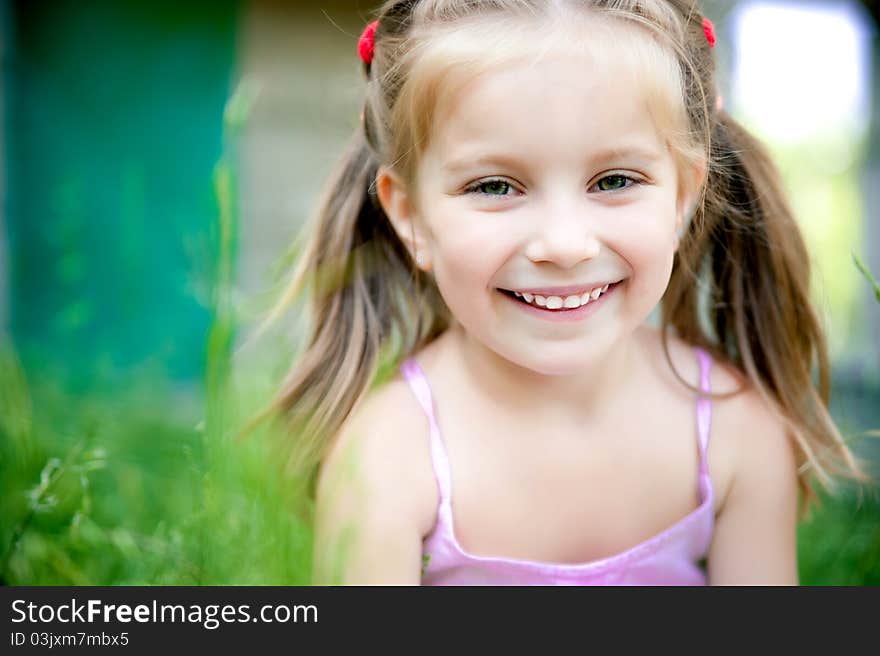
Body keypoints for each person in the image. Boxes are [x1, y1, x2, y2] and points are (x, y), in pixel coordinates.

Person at [259, 0, 867, 585]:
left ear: (683, 195)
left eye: (614, 180)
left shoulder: (735, 435)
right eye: (496, 186)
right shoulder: (389, 455)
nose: (564, 244)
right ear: (411, 216)